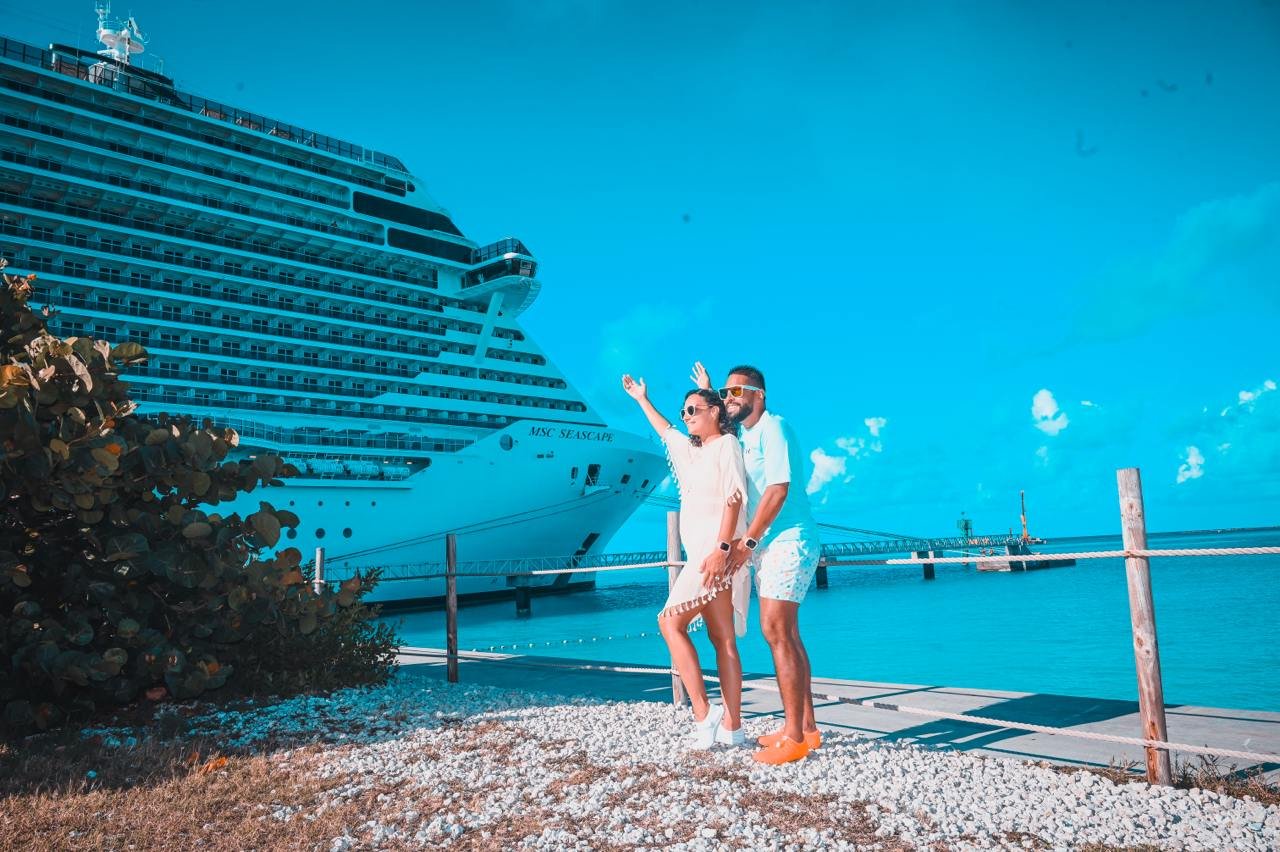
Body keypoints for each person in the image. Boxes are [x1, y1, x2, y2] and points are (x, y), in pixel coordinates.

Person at [693, 362, 822, 765]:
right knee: (788, 634)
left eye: (737, 391)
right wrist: (711, 391)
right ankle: (807, 729)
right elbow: (721, 418)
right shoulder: (745, 436)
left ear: (759, 395)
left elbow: (778, 489)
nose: (729, 398)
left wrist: (746, 543)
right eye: (726, 393)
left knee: (776, 630)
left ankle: (794, 738)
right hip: (768, 545)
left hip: (789, 539)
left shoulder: (773, 427)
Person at [621, 374, 750, 747]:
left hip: (714, 554)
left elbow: (734, 497)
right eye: (684, 411)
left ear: (715, 412)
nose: (687, 415)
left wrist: (722, 549)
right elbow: (666, 431)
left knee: (669, 622)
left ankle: (704, 714)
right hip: (703, 554)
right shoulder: (692, 453)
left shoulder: (726, 445)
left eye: (694, 410)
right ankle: (733, 729)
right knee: (722, 638)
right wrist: (642, 399)